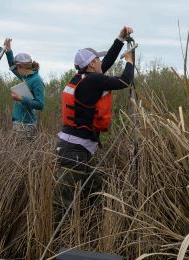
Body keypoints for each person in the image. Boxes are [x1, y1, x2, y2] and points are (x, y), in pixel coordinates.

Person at [54, 25, 135, 217]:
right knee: (65, 204)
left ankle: (91, 227)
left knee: (95, 191)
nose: (101, 61)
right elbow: (125, 81)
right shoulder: (93, 81)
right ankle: (59, 240)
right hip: (74, 151)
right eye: (97, 59)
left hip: (75, 148)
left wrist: (120, 39)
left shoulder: (84, 78)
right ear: (91, 65)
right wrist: (129, 62)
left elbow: (107, 61)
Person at [3, 38, 45, 140]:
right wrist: (8, 51)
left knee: (20, 154)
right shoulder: (26, 77)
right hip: (19, 123)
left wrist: (21, 98)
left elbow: (40, 104)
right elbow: (12, 66)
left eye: (17, 68)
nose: (15, 70)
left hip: (26, 125)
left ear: (21, 67)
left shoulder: (36, 81)